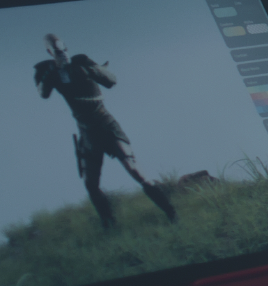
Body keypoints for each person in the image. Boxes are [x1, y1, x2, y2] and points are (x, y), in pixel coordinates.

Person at [33, 33, 177, 231]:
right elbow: (43, 93)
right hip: (87, 131)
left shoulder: (81, 61)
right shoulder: (47, 70)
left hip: (106, 123)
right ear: (50, 51)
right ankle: (109, 224)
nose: (62, 53)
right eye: (56, 51)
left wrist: (89, 69)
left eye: (63, 49)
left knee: (135, 170)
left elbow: (110, 81)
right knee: (91, 184)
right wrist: (53, 70)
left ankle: (171, 212)